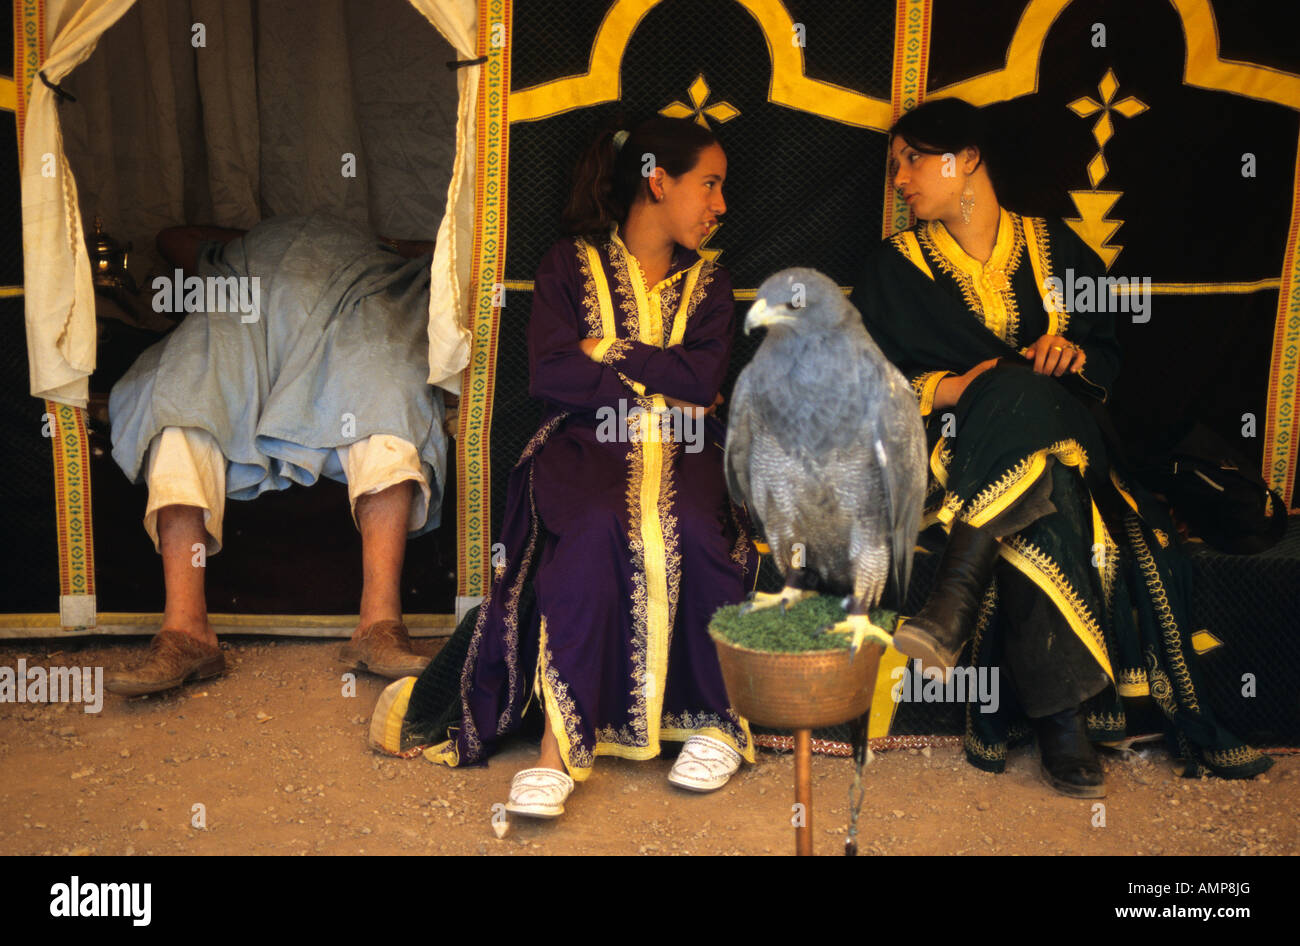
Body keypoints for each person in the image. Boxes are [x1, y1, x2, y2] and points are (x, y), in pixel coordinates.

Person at [851, 98, 1271, 797]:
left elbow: (1107, 358)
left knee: (1034, 407)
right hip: (954, 447)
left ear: (969, 159)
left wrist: (1069, 354)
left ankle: (954, 609)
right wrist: (960, 386)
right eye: (895, 167)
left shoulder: (1059, 250)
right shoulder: (892, 267)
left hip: (1075, 433)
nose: (900, 179)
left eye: (913, 160)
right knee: (1040, 472)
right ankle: (1064, 719)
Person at [369, 116, 759, 819]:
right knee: (594, 534)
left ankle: (711, 721)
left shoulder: (711, 284)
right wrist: (657, 382)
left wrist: (607, 350)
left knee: (698, 531)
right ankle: (559, 750)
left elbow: (702, 381)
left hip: (686, 448)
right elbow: (551, 375)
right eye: (709, 184)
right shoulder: (566, 266)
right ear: (658, 181)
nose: (720, 203)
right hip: (582, 444)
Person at [105, 214, 448, 696]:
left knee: (388, 401)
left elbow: (445, 248)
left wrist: (379, 244)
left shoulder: (378, 254)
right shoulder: (238, 251)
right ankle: (186, 631)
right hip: (243, 321)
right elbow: (169, 236)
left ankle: (379, 626)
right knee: (178, 404)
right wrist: (253, 238)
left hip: (352, 311)